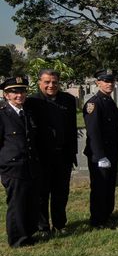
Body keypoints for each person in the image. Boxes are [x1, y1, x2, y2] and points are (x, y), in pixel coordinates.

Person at [27, 69, 77, 235]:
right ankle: (43, 227)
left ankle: (60, 224)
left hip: (63, 155)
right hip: (42, 157)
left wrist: (72, 154)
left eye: (54, 82)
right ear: (39, 82)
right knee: (42, 194)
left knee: (61, 193)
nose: (51, 85)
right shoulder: (32, 102)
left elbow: (71, 128)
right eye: (47, 82)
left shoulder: (68, 100)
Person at [0, 77, 42, 247]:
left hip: (30, 164)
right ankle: (18, 239)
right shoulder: (2, 115)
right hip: (13, 166)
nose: (19, 95)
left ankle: (29, 233)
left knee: (30, 201)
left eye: (22, 91)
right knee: (16, 203)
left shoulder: (27, 112)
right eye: (14, 92)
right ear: (6, 95)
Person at [83, 69, 118, 229]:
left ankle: (107, 215)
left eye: (111, 81)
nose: (109, 84)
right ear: (98, 83)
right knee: (99, 188)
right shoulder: (94, 103)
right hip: (100, 155)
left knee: (109, 186)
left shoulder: (109, 101)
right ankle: (97, 220)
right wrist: (99, 156)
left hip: (111, 152)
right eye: (105, 81)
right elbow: (93, 132)